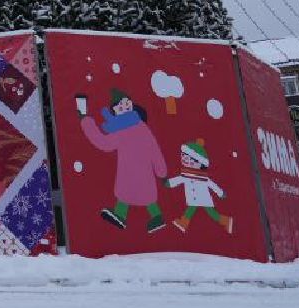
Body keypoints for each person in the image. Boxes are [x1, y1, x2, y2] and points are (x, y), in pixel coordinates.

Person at [79, 88, 168, 233]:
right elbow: (154, 150)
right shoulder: (133, 128)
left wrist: (86, 121)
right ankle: (129, 216)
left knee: (130, 193)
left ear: (131, 104)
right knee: (135, 194)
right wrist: (161, 172)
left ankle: (151, 216)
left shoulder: (130, 129)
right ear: (115, 112)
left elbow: (154, 150)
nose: (124, 107)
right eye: (120, 106)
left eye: (126, 103)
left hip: (134, 172)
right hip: (134, 172)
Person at [166, 139, 232, 234]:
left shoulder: (203, 177)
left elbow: (212, 185)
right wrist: (169, 183)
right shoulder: (186, 174)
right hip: (193, 198)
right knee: (192, 209)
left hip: (204, 198)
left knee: (211, 212)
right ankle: (184, 223)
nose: (183, 159)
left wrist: (220, 193)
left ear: (199, 163)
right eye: (183, 156)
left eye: (187, 158)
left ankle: (225, 221)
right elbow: (178, 180)